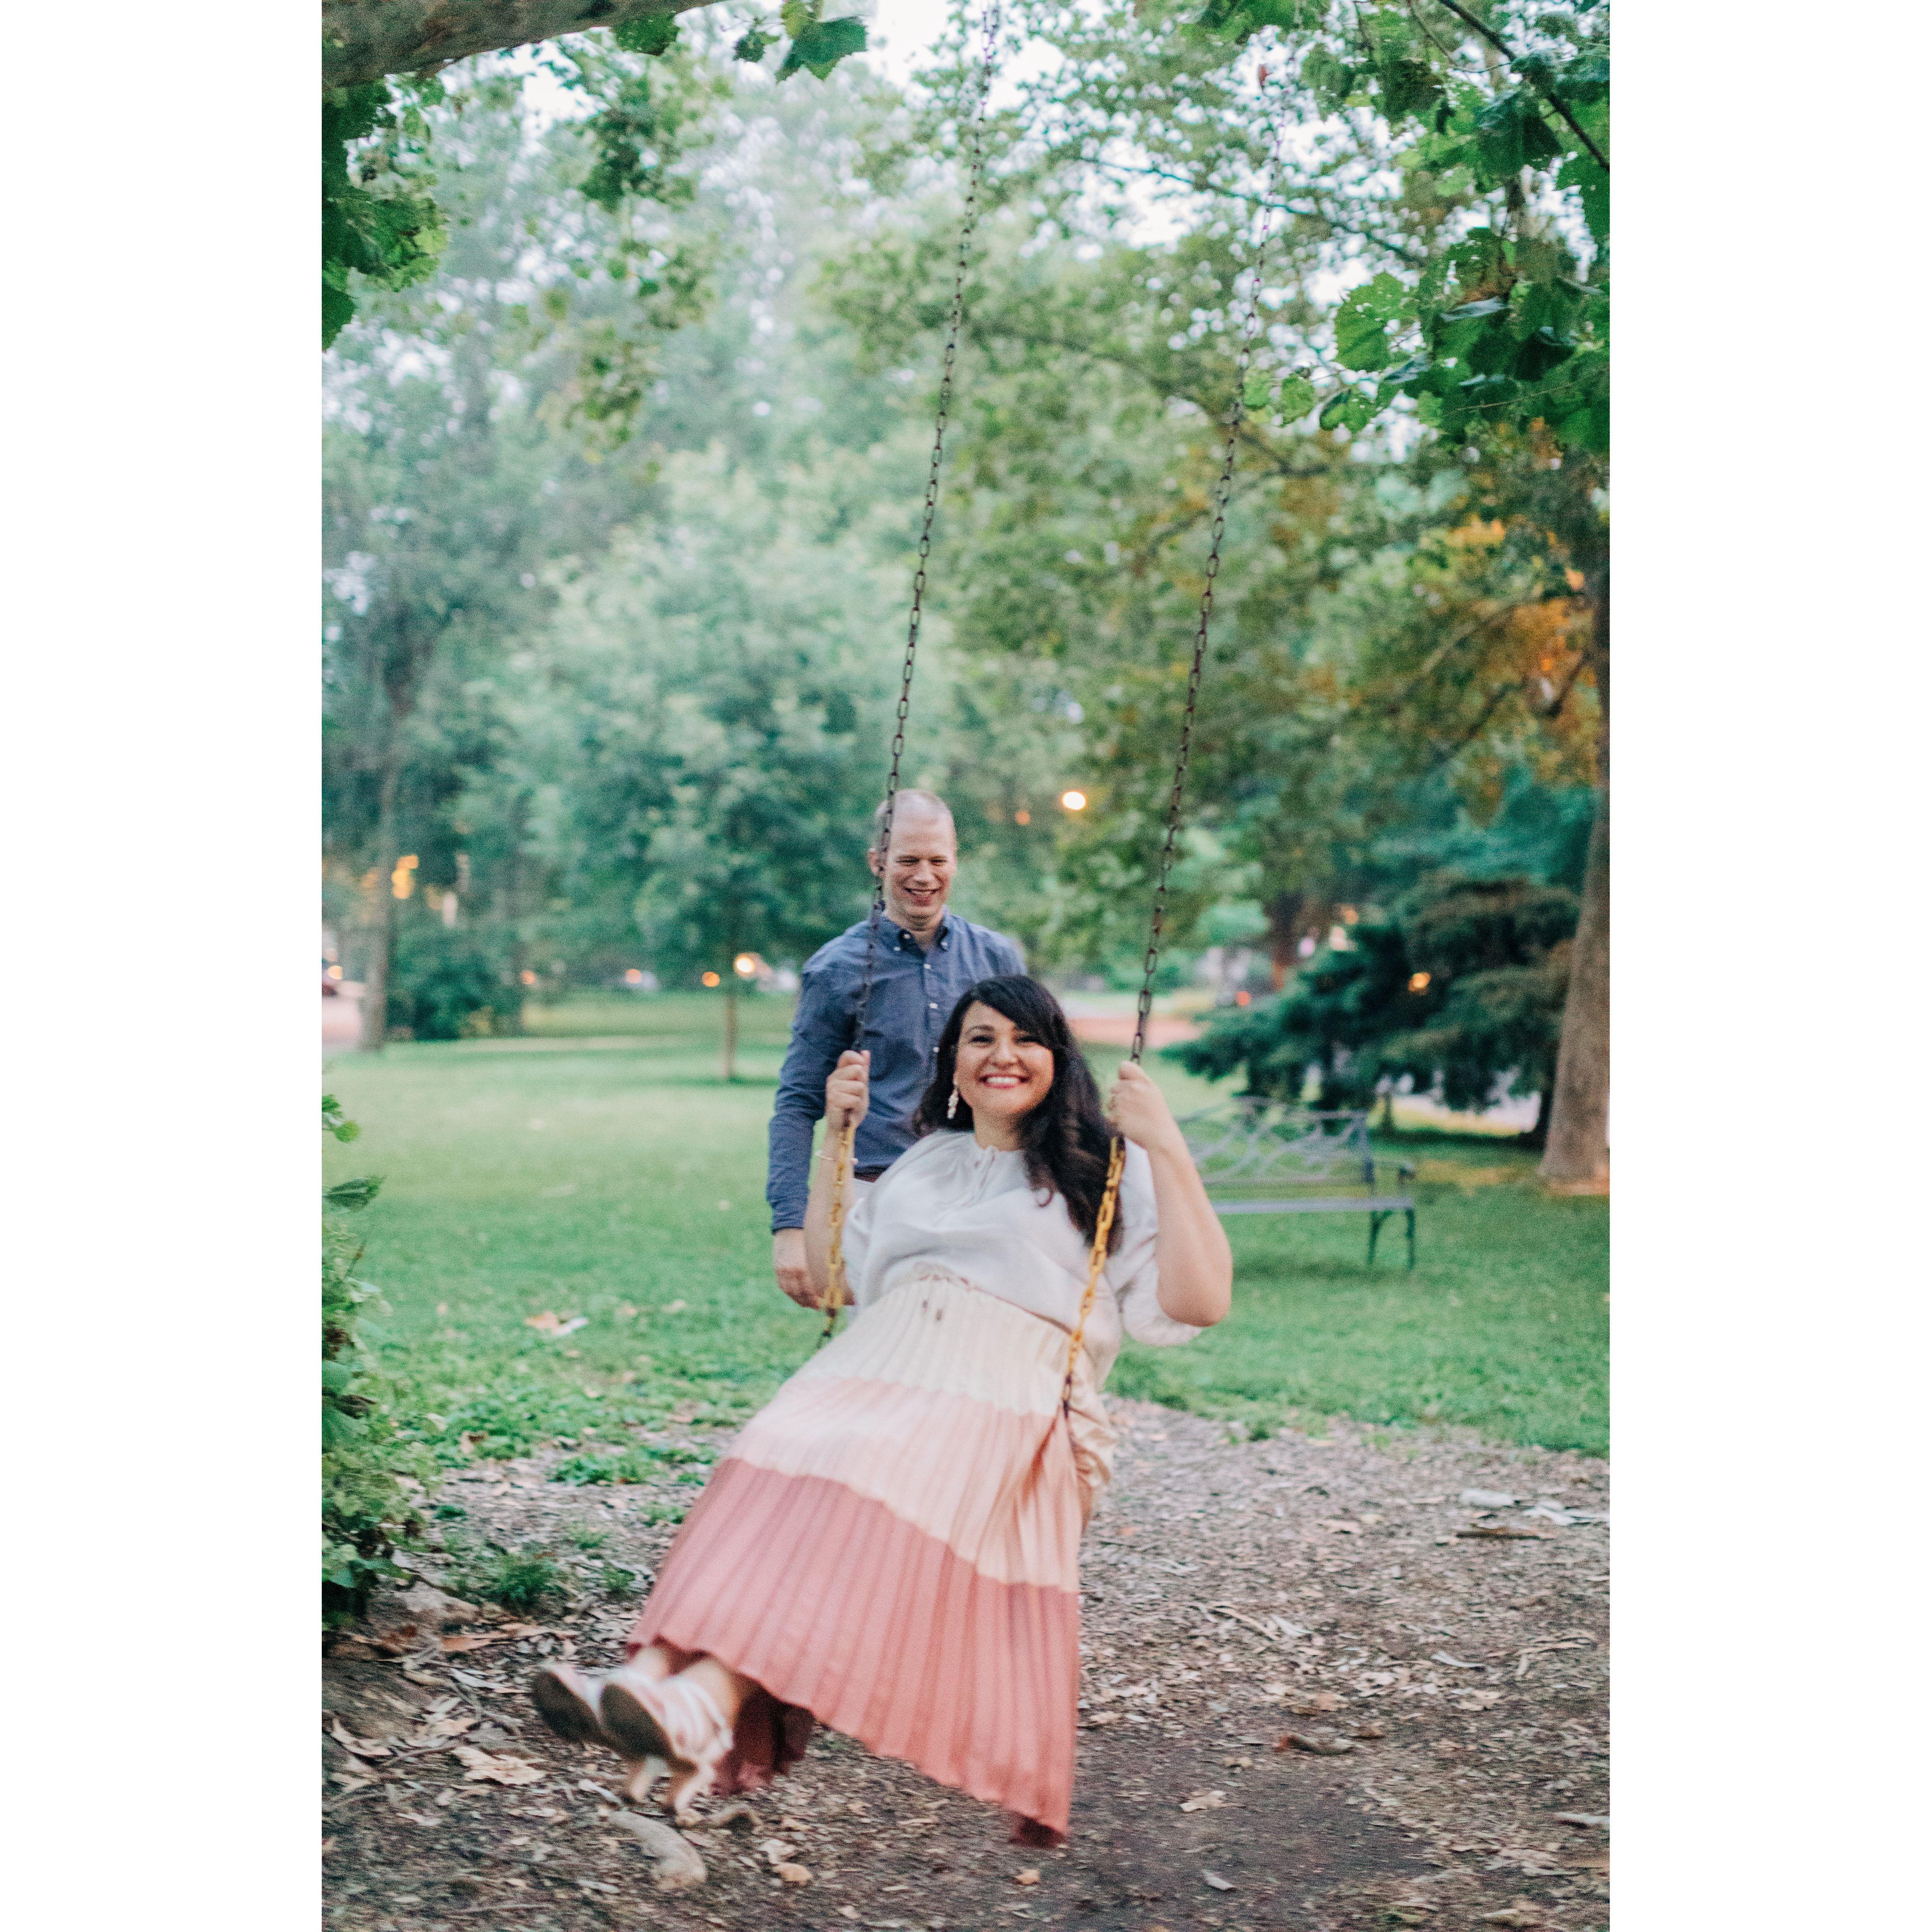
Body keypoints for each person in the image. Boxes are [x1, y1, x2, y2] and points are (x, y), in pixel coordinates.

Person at [531, 975, 1234, 1847]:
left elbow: (1200, 1303)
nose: (1002, 1055)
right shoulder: (924, 1163)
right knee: (773, 1452)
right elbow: (833, 1281)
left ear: (1060, 1058)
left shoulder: (1101, 1169)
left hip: (1002, 1393)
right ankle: (657, 1684)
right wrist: (840, 1138)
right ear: (953, 1064)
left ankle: (702, 1704)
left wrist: (1165, 1143)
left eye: (1025, 1039)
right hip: (874, 1369)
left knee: (860, 1472)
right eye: (980, 1039)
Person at [768, 789, 1023, 1308]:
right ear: (877, 863)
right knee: (891, 1357)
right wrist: (790, 1227)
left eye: (937, 861)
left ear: (956, 861)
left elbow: (1038, 1079)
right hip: (875, 1198)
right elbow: (797, 1103)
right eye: (908, 860)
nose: (924, 876)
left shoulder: (996, 958)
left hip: (980, 1192)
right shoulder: (837, 969)